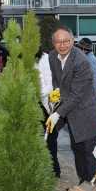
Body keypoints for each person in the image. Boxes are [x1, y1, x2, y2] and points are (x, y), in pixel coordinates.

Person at [46, 25, 96, 184]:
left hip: (85, 111)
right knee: (77, 149)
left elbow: (77, 94)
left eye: (65, 41)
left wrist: (57, 114)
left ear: (73, 41)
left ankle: (90, 189)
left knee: (87, 151)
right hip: (70, 110)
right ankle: (82, 184)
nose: (62, 45)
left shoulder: (82, 61)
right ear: (53, 42)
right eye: (58, 42)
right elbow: (57, 78)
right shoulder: (52, 56)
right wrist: (56, 90)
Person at [35, 46, 60, 177]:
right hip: (29, 104)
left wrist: (35, 93)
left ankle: (53, 171)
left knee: (50, 139)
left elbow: (50, 85)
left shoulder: (45, 59)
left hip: (44, 104)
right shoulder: (20, 60)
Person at [78, 37, 96, 124]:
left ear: (83, 49)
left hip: (94, 92)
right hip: (95, 91)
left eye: (79, 49)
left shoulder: (90, 60)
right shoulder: (89, 58)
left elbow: (92, 80)